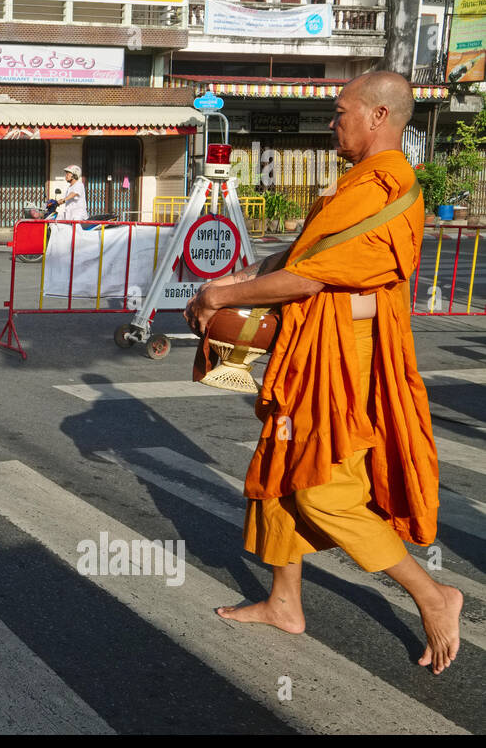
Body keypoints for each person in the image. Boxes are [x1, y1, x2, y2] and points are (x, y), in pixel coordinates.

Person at [185, 71, 461, 674]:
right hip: (316, 342)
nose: (333, 123)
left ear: (378, 116)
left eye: (341, 113)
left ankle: (433, 594)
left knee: (321, 485)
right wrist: (244, 276)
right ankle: (285, 603)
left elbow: (315, 277)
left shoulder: (389, 184)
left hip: (346, 351)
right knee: (285, 466)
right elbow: (307, 255)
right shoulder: (357, 182)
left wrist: (225, 300)